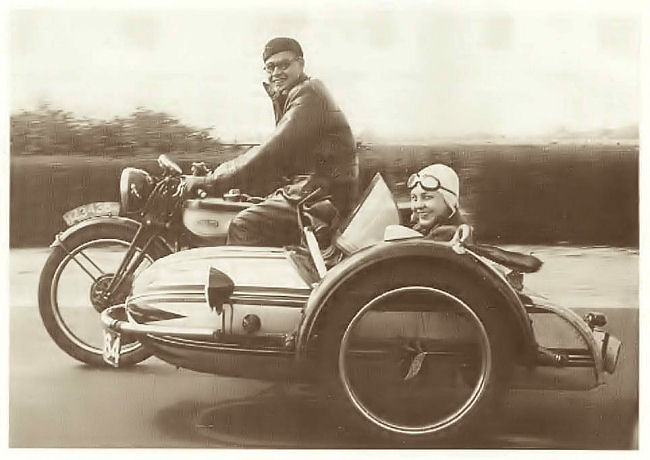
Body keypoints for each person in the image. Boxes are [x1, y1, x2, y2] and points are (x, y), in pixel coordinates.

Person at [186, 37, 358, 246]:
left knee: (243, 224)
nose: (276, 72)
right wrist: (215, 174)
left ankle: (246, 279)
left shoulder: (309, 93)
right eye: (270, 67)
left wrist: (212, 181)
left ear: (301, 64)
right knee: (238, 206)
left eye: (284, 65)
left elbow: (272, 150)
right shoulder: (293, 95)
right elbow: (278, 161)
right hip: (310, 192)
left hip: (320, 200)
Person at [408, 163, 472, 242]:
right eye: (414, 198)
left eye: (427, 197)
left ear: (449, 202)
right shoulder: (422, 230)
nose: (418, 205)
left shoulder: (448, 235)